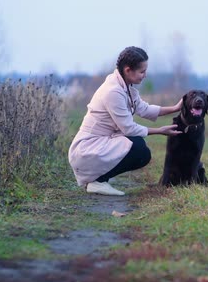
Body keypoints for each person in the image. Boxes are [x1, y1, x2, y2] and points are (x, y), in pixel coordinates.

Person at [68, 46, 182, 196]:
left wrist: (175, 108)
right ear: (128, 70)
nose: (145, 75)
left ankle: (100, 179)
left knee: (137, 145)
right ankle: (98, 181)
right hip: (86, 149)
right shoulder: (113, 91)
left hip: (100, 143)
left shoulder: (124, 86)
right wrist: (160, 131)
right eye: (142, 71)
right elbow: (129, 129)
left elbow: (144, 109)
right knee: (139, 149)